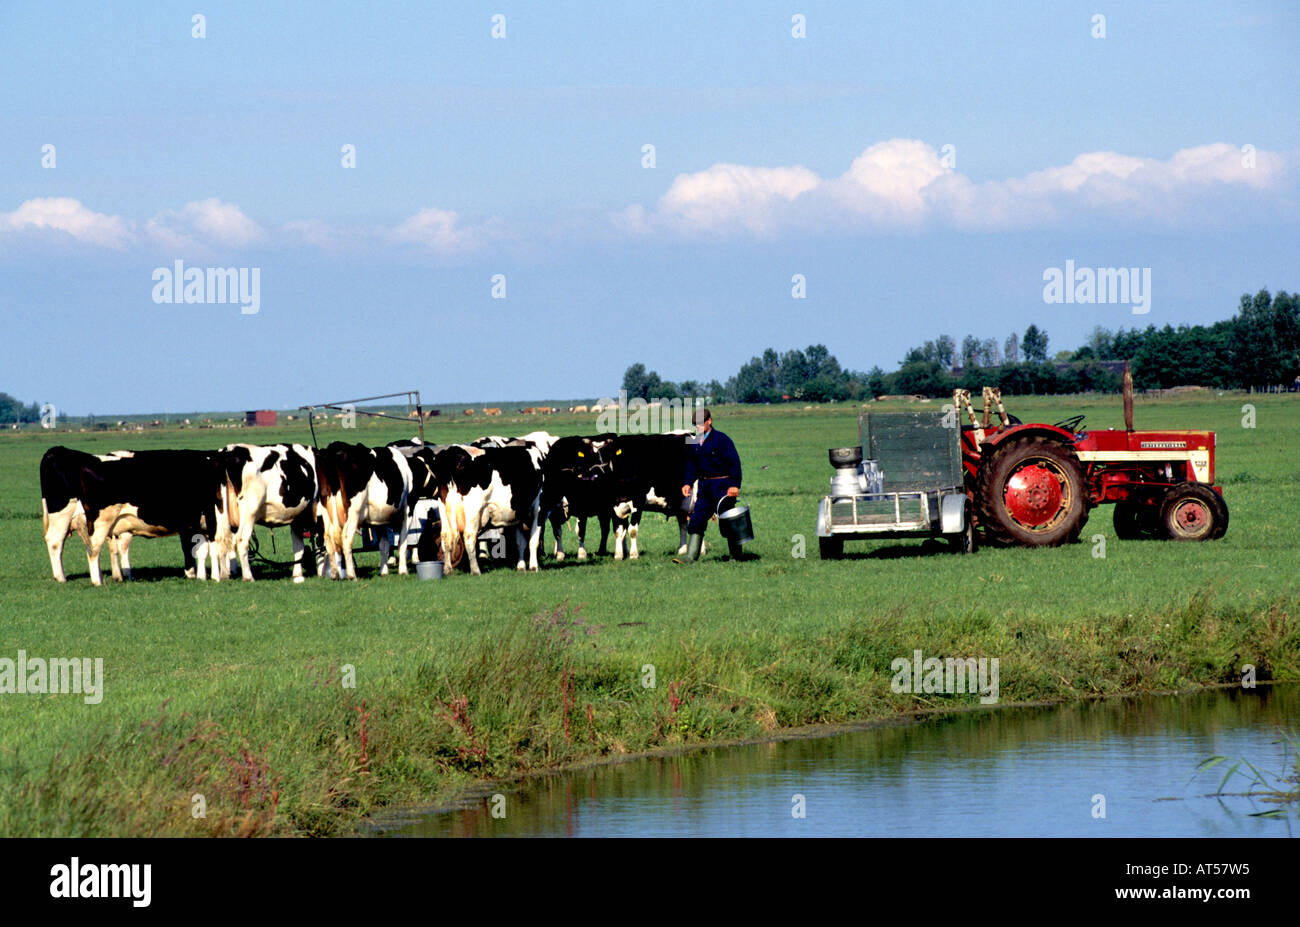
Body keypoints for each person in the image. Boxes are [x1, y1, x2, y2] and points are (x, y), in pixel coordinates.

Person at [678, 407, 743, 562]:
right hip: (704, 487)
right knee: (696, 520)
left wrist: (735, 485)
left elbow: (734, 463)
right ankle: (691, 557)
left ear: (709, 421)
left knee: (728, 521)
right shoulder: (694, 441)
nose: (698, 427)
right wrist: (687, 483)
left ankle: (736, 557)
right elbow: (691, 465)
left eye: (701, 424)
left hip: (723, 487)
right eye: (696, 424)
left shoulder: (722, 439)